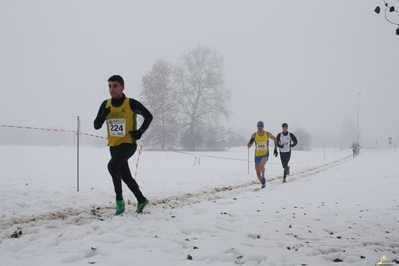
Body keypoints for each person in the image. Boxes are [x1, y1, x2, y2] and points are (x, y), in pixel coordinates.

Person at [94, 75, 153, 215]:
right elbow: (96, 125)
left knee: (112, 166)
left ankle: (120, 201)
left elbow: (148, 116)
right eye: (109, 86)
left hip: (128, 144)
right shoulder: (106, 104)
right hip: (113, 145)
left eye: (115, 86)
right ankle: (140, 199)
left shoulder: (130, 103)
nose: (111, 89)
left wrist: (140, 132)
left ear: (122, 87)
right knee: (123, 175)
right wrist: (103, 115)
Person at [247, 121, 278, 189]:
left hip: (265, 154)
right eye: (258, 126)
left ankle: (263, 176)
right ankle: (263, 184)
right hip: (257, 155)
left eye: (261, 126)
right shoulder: (254, 135)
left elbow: (275, 139)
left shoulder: (267, 134)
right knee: (257, 172)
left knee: (261, 165)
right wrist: (249, 145)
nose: (259, 127)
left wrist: (275, 148)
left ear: (263, 127)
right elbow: (250, 143)